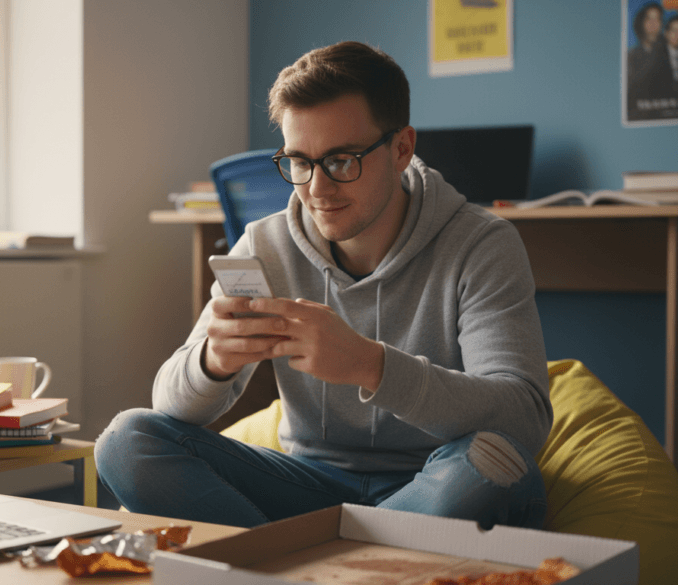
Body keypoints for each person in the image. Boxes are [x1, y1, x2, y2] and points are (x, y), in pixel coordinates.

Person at [94, 41, 552, 530]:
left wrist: (370, 366)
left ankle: (292, 560)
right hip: (306, 485)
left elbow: (524, 420)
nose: (316, 188)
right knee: (126, 440)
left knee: (495, 466)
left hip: (436, 479)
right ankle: (361, 557)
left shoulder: (482, 243)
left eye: (340, 161)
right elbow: (169, 404)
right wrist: (213, 362)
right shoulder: (262, 244)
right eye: (299, 161)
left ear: (401, 149)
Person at [627, 2, 665, 118]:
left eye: (657, 19)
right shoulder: (631, 56)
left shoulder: (669, 53)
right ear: (641, 23)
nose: (653, 24)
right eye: (649, 19)